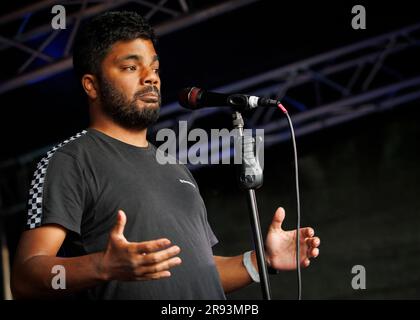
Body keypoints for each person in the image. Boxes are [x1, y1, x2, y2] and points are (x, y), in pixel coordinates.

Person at [11, 11, 320, 300]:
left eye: (155, 68)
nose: (151, 77)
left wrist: (262, 260)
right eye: (131, 67)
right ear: (91, 85)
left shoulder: (175, 167)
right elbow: (25, 277)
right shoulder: (69, 160)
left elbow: (196, 274)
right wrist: (101, 266)